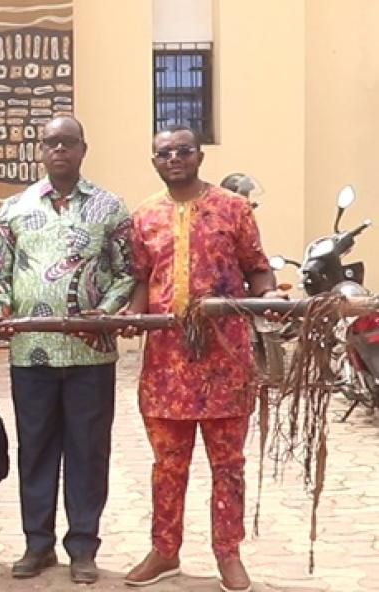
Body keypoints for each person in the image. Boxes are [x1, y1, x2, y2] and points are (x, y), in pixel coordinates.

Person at [123, 125, 280, 592]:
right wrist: (132, 316)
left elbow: (258, 268)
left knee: (227, 464)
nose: (174, 158)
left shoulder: (234, 209)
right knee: (167, 464)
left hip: (225, 361)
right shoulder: (144, 216)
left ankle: (228, 554)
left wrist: (267, 298)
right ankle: (165, 550)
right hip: (166, 365)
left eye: (183, 151)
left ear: (199, 156)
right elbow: (140, 279)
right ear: (154, 161)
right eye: (164, 152)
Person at [0, 115, 135, 584]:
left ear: (83, 150)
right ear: (41, 151)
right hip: (32, 354)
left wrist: (104, 314)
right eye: (51, 143)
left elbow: (127, 271)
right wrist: (1, 304)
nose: (59, 151)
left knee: (89, 452)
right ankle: (37, 544)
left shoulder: (110, 208)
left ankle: (84, 547)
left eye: (68, 143)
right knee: (37, 450)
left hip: (91, 354)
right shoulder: (14, 209)